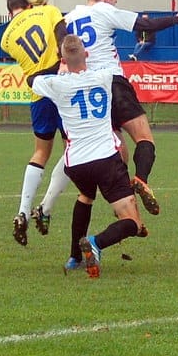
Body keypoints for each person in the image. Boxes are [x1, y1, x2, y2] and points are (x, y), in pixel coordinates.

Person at [64, 0, 178, 216]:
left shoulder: (70, 18)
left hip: (90, 91)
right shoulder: (103, 10)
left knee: (116, 148)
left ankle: (123, 199)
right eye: (115, 0)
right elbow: (144, 24)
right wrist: (177, 18)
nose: (114, 4)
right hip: (113, 82)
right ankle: (141, 179)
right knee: (144, 138)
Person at [32, 35, 145, 278]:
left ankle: (74, 257)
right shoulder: (103, 76)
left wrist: (58, 66)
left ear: (63, 60)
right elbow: (113, 72)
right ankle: (95, 242)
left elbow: (33, 80)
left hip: (77, 163)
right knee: (133, 223)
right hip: (106, 158)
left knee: (86, 196)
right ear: (87, 55)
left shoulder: (56, 84)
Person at [0, 0, 70, 246]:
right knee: (72, 148)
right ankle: (45, 208)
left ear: (10, 11)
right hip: (60, 84)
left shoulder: (5, 37)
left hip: (38, 91)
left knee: (40, 152)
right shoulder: (49, 11)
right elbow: (62, 36)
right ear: (30, 3)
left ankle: (22, 211)